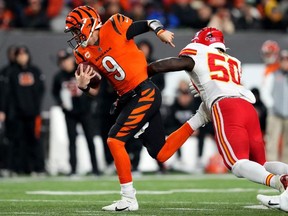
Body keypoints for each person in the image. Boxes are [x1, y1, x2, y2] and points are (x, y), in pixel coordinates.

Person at [64, 5, 208, 211]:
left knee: (114, 140)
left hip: (144, 92)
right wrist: (84, 85)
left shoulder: (114, 26)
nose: (76, 36)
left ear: (89, 24)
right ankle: (200, 117)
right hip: (127, 98)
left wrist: (161, 32)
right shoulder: (82, 53)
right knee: (161, 153)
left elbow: (149, 23)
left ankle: (129, 198)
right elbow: (94, 90)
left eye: (77, 29)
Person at [147, 27, 288, 212]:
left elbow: (168, 65)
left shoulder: (198, 52)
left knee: (236, 164)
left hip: (226, 107)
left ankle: (280, 182)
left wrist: (143, 71)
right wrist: (201, 88)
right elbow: (215, 80)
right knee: (260, 165)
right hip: (247, 107)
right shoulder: (233, 62)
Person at [52, 48, 100, 176]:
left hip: (85, 111)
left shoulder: (82, 71)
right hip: (70, 113)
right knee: (71, 140)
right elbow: (55, 92)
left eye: (66, 60)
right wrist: (62, 104)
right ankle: (73, 168)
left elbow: (94, 87)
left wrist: (89, 103)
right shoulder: (59, 77)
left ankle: (95, 168)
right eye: (62, 61)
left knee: (90, 139)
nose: (64, 63)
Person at [6, 45, 45, 175]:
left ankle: (37, 168)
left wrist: (35, 108)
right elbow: (9, 94)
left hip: (33, 113)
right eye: (19, 55)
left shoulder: (35, 71)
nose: (22, 58)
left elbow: (40, 91)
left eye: (24, 55)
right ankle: (18, 168)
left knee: (34, 140)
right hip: (18, 113)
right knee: (18, 141)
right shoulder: (12, 73)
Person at [261, 49, 288, 164]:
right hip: (275, 115)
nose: (285, 63)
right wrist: (272, 106)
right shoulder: (272, 75)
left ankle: (286, 168)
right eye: (283, 60)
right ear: (280, 61)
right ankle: (271, 167)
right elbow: (264, 92)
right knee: (272, 141)